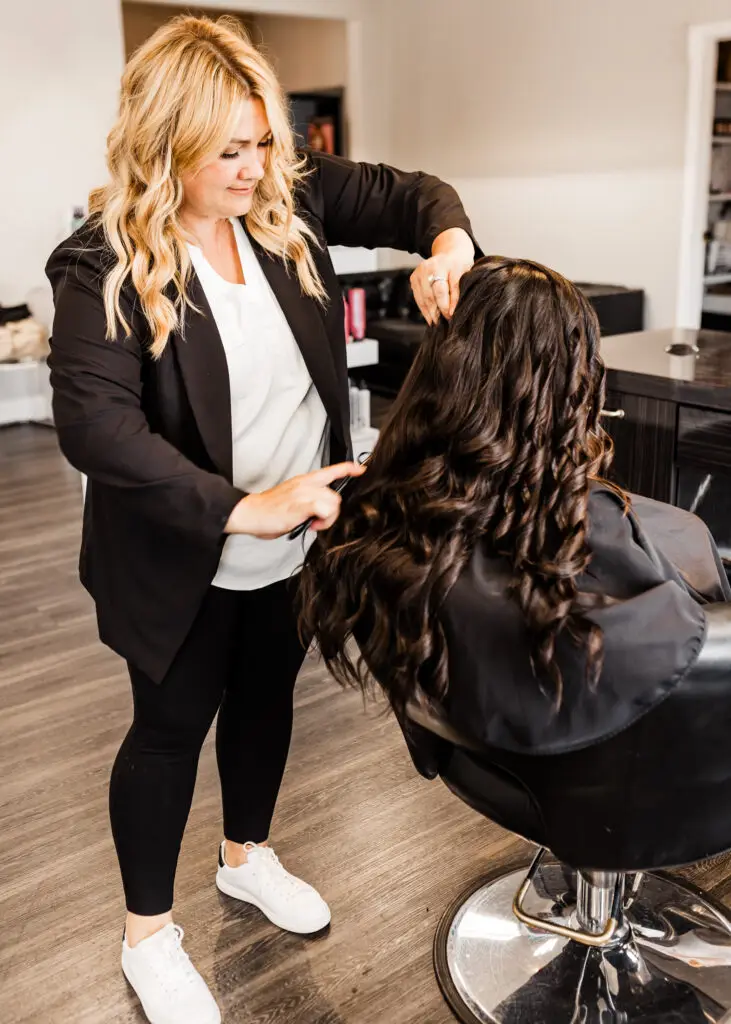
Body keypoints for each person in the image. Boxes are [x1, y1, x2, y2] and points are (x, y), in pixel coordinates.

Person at [45, 14, 478, 1024]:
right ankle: (148, 935)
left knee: (264, 699)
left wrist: (448, 242)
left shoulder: (292, 203)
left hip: (298, 539)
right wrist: (242, 507)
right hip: (182, 550)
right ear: (167, 147)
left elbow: (418, 196)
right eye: (229, 151)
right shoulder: (99, 263)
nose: (256, 169)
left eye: (264, 143)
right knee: (166, 730)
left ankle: (245, 856)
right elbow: (97, 428)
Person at [299, 256, 729, 762]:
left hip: (484, 764)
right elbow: (679, 650)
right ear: (565, 381)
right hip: (625, 769)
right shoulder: (599, 522)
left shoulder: (378, 513)